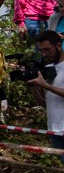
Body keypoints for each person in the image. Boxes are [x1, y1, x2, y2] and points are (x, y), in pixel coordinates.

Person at [29, 31, 64, 161]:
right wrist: (33, 85)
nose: (44, 54)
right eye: (41, 51)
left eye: (47, 50)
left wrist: (46, 86)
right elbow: (44, 103)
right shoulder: (47, 68)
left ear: (59, 46)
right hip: (54, 129)